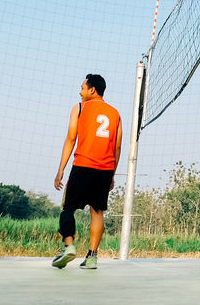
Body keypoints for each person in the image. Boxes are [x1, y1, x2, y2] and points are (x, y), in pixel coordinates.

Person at [53, 73, 122, 269]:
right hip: (105, 170)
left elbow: (70, 139)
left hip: (83, 165)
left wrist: (60, 170)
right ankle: (92, 257)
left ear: (92, 90)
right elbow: (117, 148)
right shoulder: (115, 113)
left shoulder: (80, 108)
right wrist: (112, 174)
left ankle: (68, 246)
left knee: (67, 208)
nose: (80, 91)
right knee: (97, 212)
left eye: (82, 88)